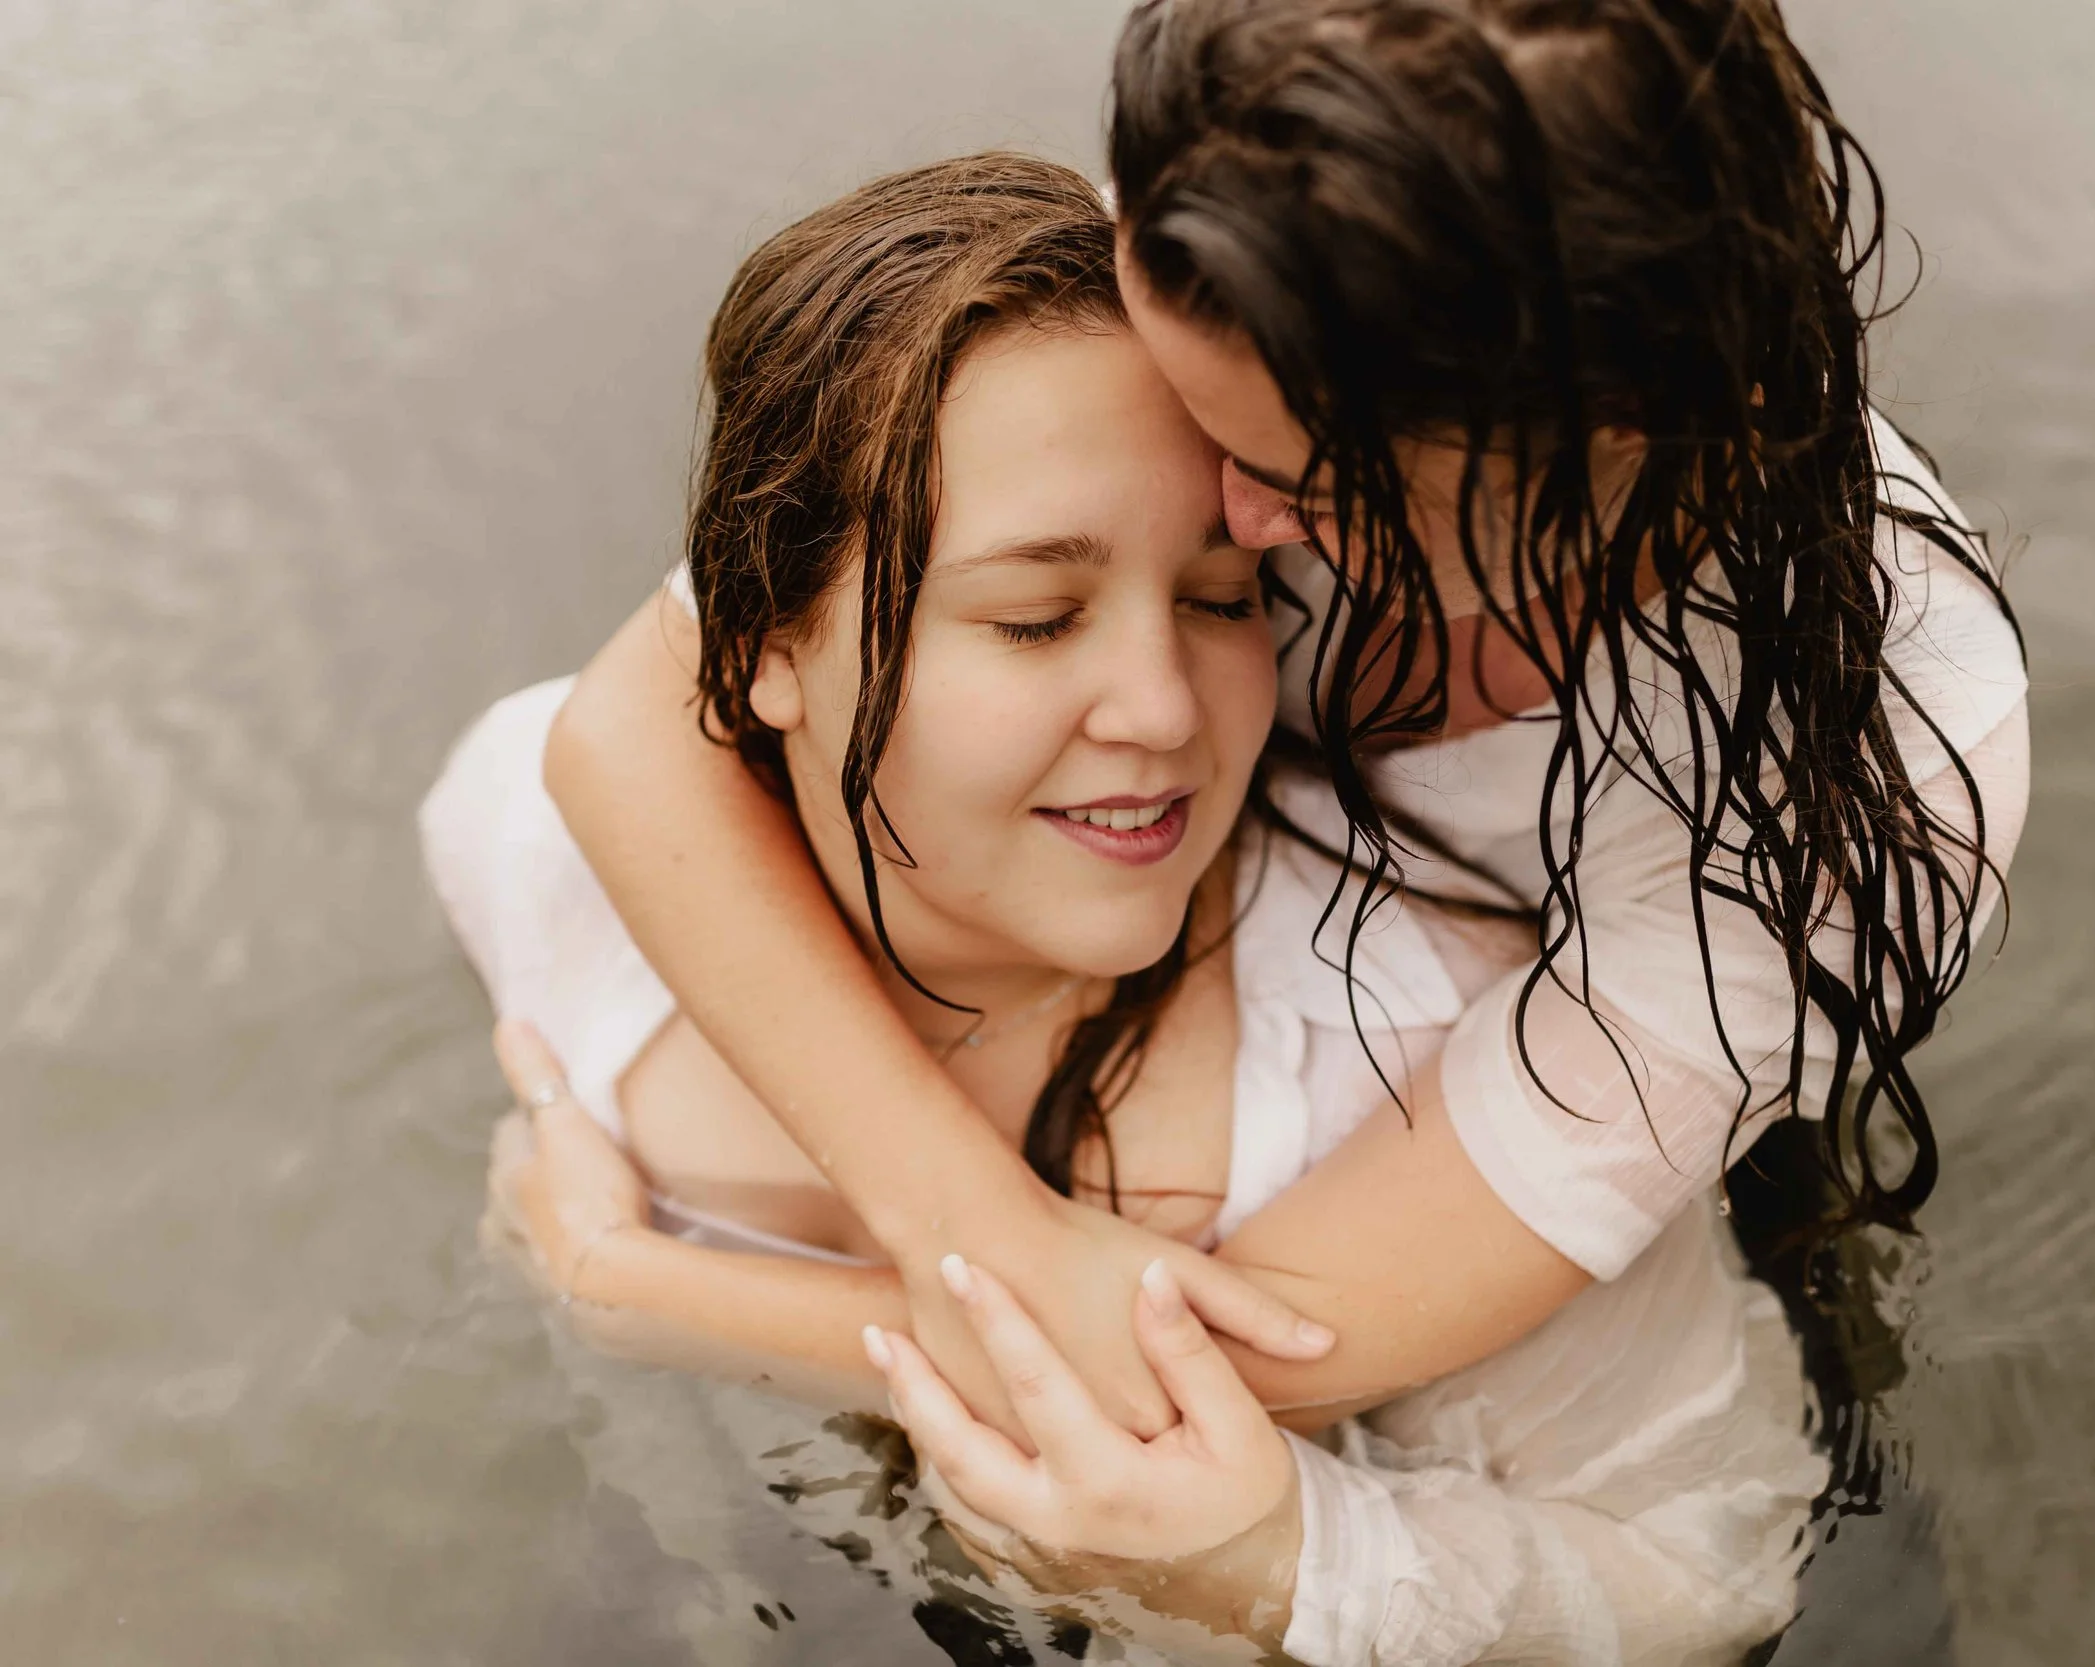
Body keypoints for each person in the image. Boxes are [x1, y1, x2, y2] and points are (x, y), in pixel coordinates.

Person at [430, 152, 1824, 1663]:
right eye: (1038, 617)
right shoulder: (534, 843)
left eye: (1227, 600)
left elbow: (1715, 1576)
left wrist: (1276, 1561)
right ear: (760, 638)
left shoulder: (1415, 1050)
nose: (1164, 706)